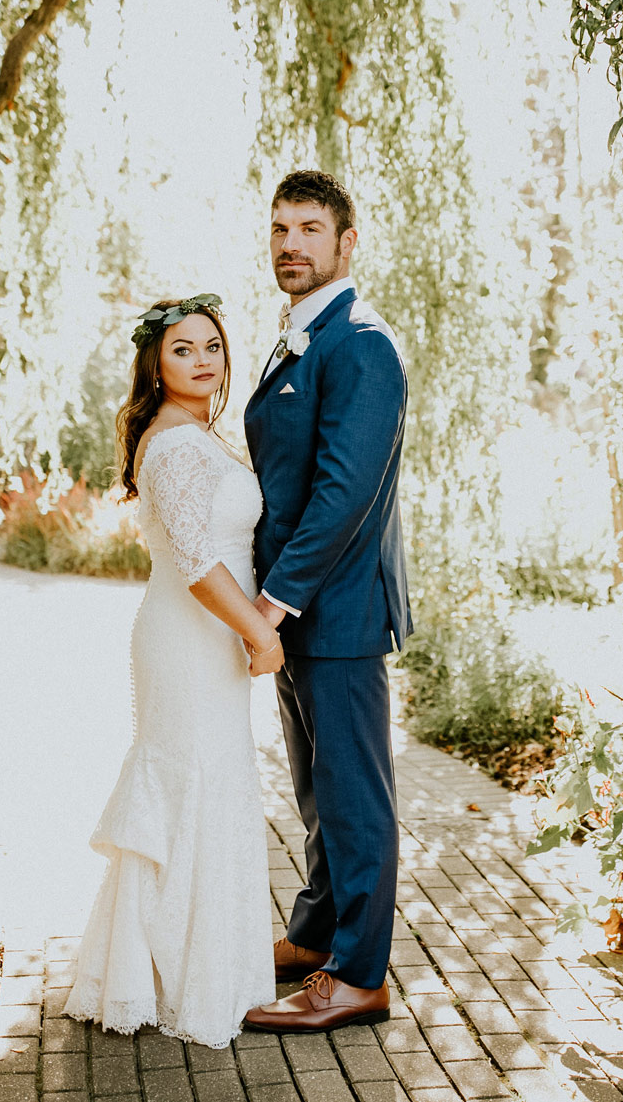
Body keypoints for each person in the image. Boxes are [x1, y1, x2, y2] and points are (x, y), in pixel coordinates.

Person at [64, 294, 279, 1048]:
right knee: (192, 780)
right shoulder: (174, 444)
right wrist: (259, 630)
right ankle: (168, 974)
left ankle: (188, 964)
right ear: (155, 363)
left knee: (210, 783)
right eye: (183, 348)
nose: (201, 359)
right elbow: (195, 562)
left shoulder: (200, 434)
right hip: (189, 637)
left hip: (207, 636)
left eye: (211, 346)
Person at [243, 170, 413, 1032]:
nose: (290, 244)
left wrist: (271, 601)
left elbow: (343, 492)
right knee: (316, 789)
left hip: (333, 610)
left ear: (347, 243)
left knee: (353, 794)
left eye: (310, 228)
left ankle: (357, 975)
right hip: (297, 612)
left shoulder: (361, 344)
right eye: (279, 228)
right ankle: (315, 935)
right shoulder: (298, 337)